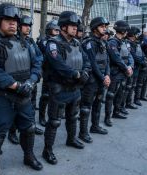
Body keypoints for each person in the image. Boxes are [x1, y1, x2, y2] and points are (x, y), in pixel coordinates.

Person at [0, 3, 43, 174]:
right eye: (8, 20)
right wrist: (15, 85)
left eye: (15, 20)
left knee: (28, 129)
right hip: (3, 98)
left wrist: (32, 81)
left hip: (24, 96)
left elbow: (37, 63)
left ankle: (28, 156)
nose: (13, 23)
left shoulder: (25, 42)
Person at [42, 11, 90, 165]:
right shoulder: (53, 43)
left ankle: (71, 139)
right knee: (55, 121)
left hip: (75, 89)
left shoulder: (77, 43)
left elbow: (86, 60)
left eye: (77, 26)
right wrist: (76, 74)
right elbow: (58, 65)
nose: (76, 28)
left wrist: (86, 72)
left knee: (73, 116)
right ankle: (47, 150)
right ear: (63, 26)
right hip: (59, 89)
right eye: (72, 25)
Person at [79, 17, 110, 142]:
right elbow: (92, 64)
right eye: (102, 26)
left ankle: (95, 126)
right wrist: (103, 78)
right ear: (95, 28)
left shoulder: (102, 42)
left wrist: (107, 75)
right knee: (86, 107)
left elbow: (107, 61)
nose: (105, 28)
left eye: (105, 26)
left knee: (98, 103)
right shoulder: (89, 43)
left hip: (101, 79)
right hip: (92, 80)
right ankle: (83, 132)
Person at [18, 14, 44, 135]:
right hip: (19, 79)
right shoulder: (14, 41)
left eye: (29, 25)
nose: (28, 28)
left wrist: (35, 75)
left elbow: (39, 57)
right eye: (25, 25)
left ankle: (31, 125)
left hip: (31, 79)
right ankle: (12, 132)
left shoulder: (31, 41)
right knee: (16, 107)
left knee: (32, 104)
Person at [104, 20, 133, 126]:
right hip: (115, 73)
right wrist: (126, 68)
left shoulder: (124, 42)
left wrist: (130, 66)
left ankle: (116, 111)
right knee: (111, 95)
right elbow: (116, 58)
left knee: (120, 93)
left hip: (123, 73)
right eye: (126, 30)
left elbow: (129, 56)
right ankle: (107, 117)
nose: (127, 32)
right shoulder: (112, 42)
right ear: (123, 30)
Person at [37, 19, 60, 127]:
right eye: (55, 30)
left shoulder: (58, 40)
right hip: (47, 72)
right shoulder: (43, 41)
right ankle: (41, 117)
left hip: (57, 72)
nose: (57, 32)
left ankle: (55, 115)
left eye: (58, 30)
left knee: (56, 96)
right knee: (45, 96)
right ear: (49, 30)